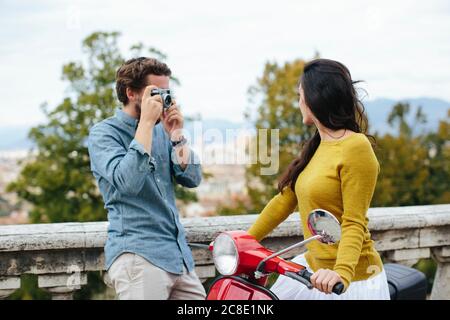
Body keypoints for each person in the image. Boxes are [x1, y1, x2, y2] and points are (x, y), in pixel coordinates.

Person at [247, 59, 390, 300]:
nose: (298, 102)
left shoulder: (356, 147)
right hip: (312, 270)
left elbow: (354, 221)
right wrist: (243, 241)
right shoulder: (317, 147)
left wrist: (342, 274)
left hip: (348, 281)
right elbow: (284, 201)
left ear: (314, 98)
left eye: (300, 95)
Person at [87, 57, 206, 300]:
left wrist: (176, 135)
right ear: (131, 93)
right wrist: (146, 124)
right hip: (138, 256)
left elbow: (193, 178)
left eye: (167, 92)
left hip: (178, 257)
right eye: (156, 92)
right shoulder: (104, 134)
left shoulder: (162, 131)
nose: (163, 99)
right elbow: (128, 182)